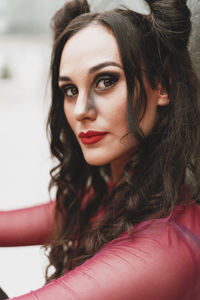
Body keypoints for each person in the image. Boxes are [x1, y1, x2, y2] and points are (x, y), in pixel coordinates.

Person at [0, 0, 200, 299]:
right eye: (70, 90)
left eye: (106, 81)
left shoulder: (164, 245)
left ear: (162, 87)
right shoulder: (116, 196)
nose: (81, 110)